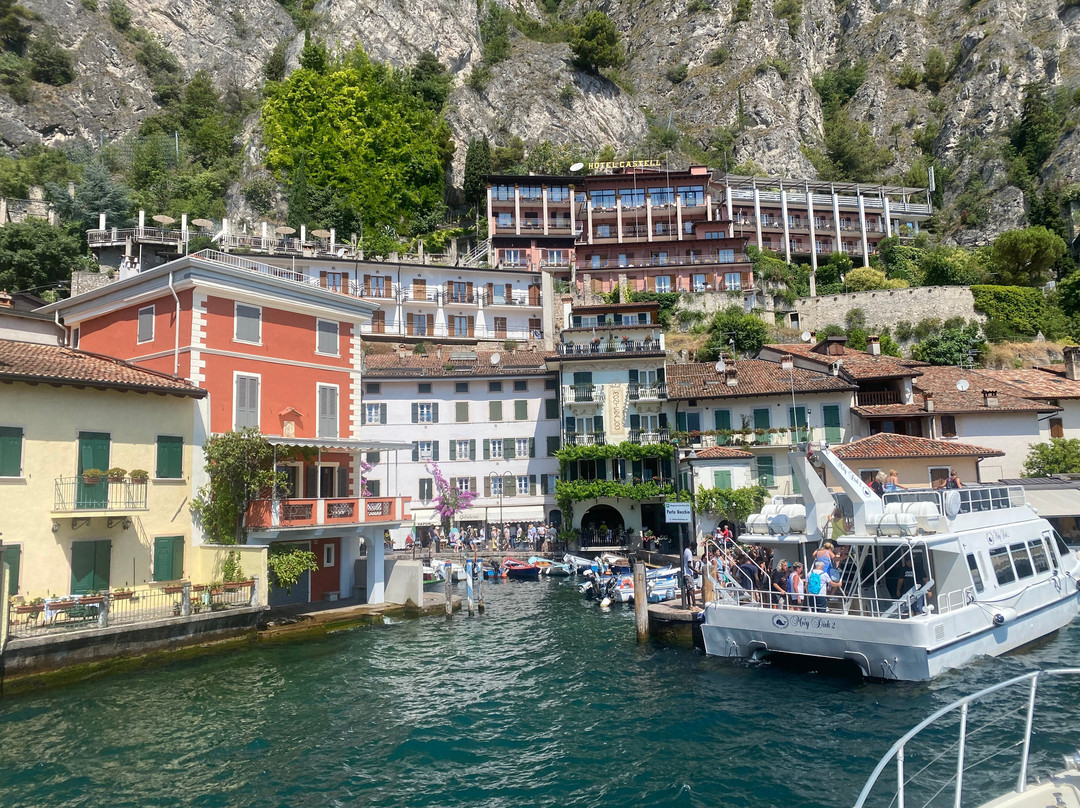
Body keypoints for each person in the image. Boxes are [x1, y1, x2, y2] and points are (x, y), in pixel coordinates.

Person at [683, 541, 698, 608]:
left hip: (686, 573)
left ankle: (689, 604)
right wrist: (696, 571)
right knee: (691, 589)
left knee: (688, 590)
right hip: (688, 573)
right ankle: (694, 604)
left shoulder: (685, 550)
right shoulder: (689, 553)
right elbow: (689, 565)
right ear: (693, 546)